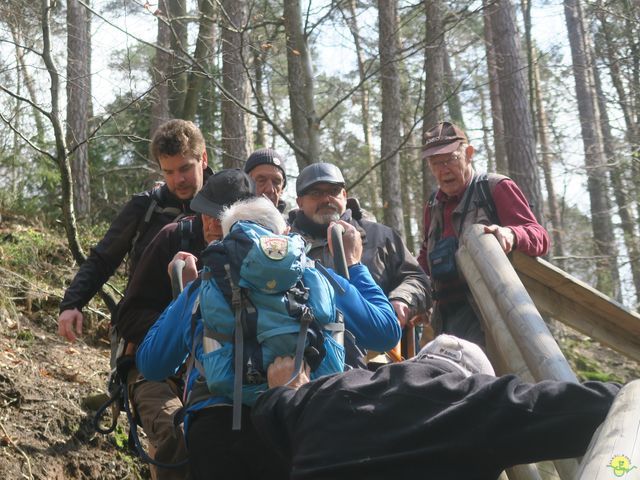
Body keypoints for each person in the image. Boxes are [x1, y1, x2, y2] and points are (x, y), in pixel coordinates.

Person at [136, 196, 398, 480]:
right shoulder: (313, 273)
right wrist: (354, 264)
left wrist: (184, 294)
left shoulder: (208, 282)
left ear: (228, 240)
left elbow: (152, 364)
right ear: (284, 233)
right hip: (302, 424)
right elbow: (385, 332)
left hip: (220, 430)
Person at [252, 334, 622, 480]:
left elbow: (270, 410)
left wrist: (286, 388)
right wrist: (627, 392)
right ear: (473, 376)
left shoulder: (332, 388)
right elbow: (571, 409)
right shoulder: (478, 402)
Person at [114, 169, 256, 479]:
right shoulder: (173, 237)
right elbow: (129, 315)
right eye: (204, 213)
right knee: (175, 435)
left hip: (234, 378)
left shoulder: (273, 263)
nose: (209, 224)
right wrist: (182, 318)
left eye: (218, 216)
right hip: (160, 375)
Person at [58, 119, 212, 342]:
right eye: (169, 172)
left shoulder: (225, 206)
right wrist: (72, 303)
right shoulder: (145, 209)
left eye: (185, 168)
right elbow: (103, 259)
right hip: (145, 333)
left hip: (211, 333)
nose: (178, 179)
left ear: (203, 159)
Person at [417, 121, 550, 347]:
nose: (443, 170)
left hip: (495, 314)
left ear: (469, 154)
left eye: (450, 160)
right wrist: (415, 292)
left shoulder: (495, 187)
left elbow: (540, 237)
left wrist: (511, 234)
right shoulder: (433, 205)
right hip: (445, 318)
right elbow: (424, 259)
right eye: (435, 163)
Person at [289, 162, 430, 363]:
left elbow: (417, 278)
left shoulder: (380, 236)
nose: (326, 199)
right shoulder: (288, 247)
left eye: (334, 191)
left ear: (344, 196)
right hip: (310, 363)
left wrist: (402, 299)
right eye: (315, 193)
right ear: (300, 202)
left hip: (381, 365)